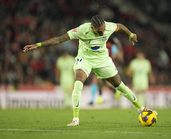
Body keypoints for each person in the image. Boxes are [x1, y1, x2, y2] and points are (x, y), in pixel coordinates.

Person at [23, 15, 157, 126]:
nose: (103, 32)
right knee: (78, 82)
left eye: (104, 29)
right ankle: (75, 119)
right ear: (92, 28)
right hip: (85, 59)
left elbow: (121, 26)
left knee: (120, 85)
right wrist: (38, 44)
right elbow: (59, 39)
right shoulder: (81, 30)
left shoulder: (108, 26)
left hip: (103, 59)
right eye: (99, 31)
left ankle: (142, 109)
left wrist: (131, 34)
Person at [88, 36, 123, 105]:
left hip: (104, 66)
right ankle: (116, 91)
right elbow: (120, 56)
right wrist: (118, 43)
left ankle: (97, 98)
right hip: (105, 66)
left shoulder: (101, 46)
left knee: (96, 80)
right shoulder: (111, 46)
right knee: (106, 83)